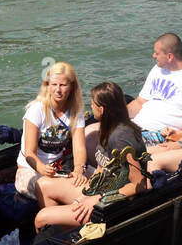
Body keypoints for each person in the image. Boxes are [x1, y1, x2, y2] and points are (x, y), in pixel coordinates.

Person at [35, 82, 149, 229]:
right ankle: (69, 230)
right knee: (43, 185)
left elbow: (139, 185)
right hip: (101, 191)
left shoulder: (121, 138)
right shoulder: (107, 128)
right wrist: (86, 195)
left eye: (92, 104)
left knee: (41, 218)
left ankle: (69, 232)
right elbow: (102, 168)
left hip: (115, 204)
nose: (91, 107)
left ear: (101, 110)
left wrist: (97, 199)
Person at [91, 33, 182, 154]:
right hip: (135, 126)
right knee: (90, 132)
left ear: (169, 57)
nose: (153, 56)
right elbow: (139, 102)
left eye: (157, 53)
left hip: (160, 135)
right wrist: (114, 117)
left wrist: (181, 144)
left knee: (117, 142)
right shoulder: (157, 69)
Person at [15, 62, 87, 202]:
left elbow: (79, 148)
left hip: (60, 167)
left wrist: (79, 169)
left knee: (93, 179)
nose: (58, 90)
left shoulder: (76, 113)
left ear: (72, 87)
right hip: (30, 169)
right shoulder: (37, 110)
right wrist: (41, 168)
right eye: (54, 85)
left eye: (63, 85)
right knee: (55, 189)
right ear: (47, 86)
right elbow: (29, 153)